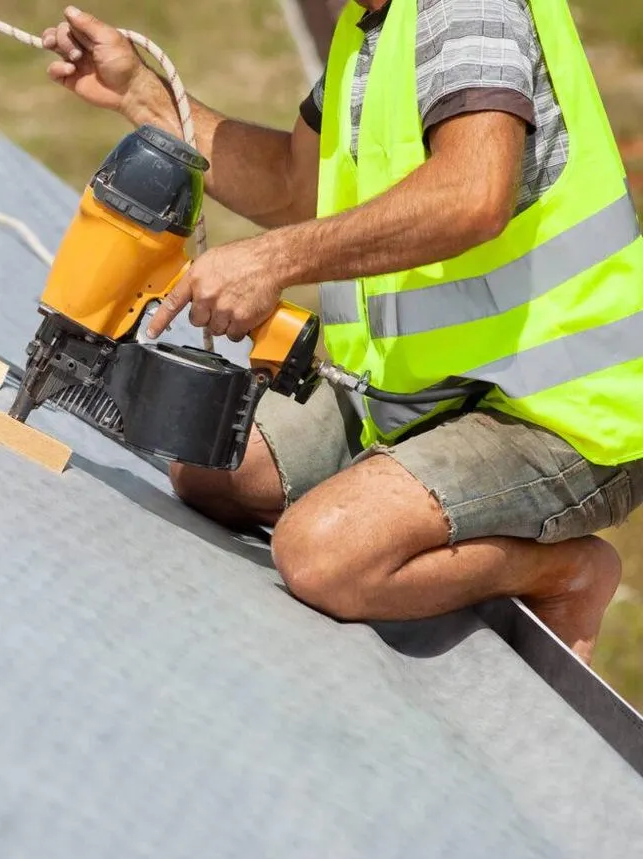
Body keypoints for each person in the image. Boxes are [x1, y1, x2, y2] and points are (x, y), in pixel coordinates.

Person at [42, 1, 643, 664]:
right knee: (212, 463)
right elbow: (294, 185)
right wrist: (138, 93)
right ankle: (413, 504)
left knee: (323, 555)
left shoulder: (470, 9)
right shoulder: (372, 27)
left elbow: (473, 194)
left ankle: (564, 574)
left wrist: (273, 260)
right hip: (422, 393)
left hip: (565, 409)